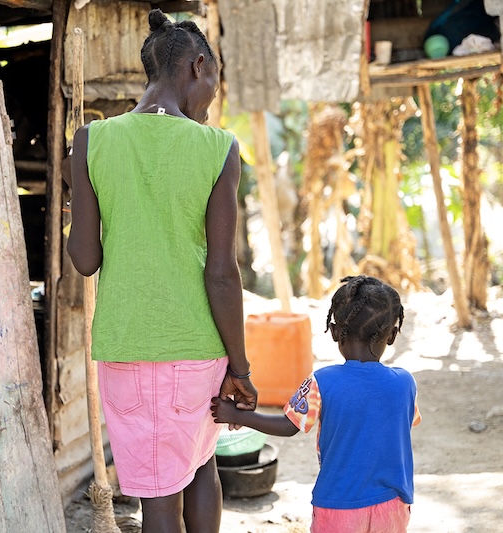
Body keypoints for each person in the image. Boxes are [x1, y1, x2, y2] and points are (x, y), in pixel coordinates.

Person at [67, 8, 257, 533]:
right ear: (199, 66)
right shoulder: (219, 148)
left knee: (157, 495)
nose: (212, 97)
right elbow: (222, 272)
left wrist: (77, 188)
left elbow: (84, 259)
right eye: (215, 82)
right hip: (199, 352)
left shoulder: (93, 141)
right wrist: (239, 369)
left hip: (129, 349)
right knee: (200, 467)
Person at [211, 275, 422, 533]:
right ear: (392, 335)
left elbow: (288, 426)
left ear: (334, 332)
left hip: (339, 505)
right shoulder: (405, 383)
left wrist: (235, 414)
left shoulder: (322, 382)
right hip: (393, 505)